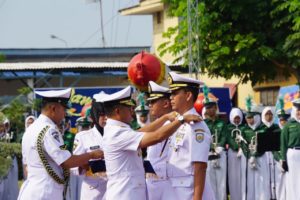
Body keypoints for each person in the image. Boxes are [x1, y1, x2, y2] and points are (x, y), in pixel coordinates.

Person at [101, 86, 202, 200]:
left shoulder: (117, 130)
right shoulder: (117, 133)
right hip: (125, 194)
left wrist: (165, 118)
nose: (132, 110)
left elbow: (140, 132)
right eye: (129, 107)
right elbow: (157, 136)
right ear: (117, 111)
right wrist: (181, 120)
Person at [18, 88, 103, 200]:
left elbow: (62, 151)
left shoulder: (32, 128)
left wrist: (80, 160)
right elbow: (66, 161)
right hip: (45, 192)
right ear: (53, 108)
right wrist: (91, 155)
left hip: (34, 189)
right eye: (63, 110)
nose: (64, 115)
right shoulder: (49, 130)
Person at [167, 72, 214, 200]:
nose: (171, 97)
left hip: (188, 192)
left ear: (188, 95)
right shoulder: (180, 122)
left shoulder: (196, 126)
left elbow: (200, 166)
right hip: (175, 189)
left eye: (175, 93)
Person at [72, 91, 108, 200]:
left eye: (107, 114)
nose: (105, 118)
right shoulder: (83, 137)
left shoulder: (117, 134)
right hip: (93, 192)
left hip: (115, 191)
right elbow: (74, 165)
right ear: (95, 115)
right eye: (101, 114)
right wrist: (90, 164)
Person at [146, 81, 175, 200]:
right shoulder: (158, 124)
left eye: (153, 101)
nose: (150, 105)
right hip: (153, 183)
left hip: (165, 183)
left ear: (166, 103)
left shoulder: (172, 125)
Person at [240, 100, 270, 200]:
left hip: (261, 158)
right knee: (250, 182)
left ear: (256, 117)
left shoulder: (264, 128)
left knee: (261, 181)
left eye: (250, 117)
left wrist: (255, 155)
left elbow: (264, 144)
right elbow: (243, 144)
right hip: (249, 160)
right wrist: (250, 156)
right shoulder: (244, 130)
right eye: (247, 117)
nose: (248, 120)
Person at [203, 89, 227, 200]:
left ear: (216, 108)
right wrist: (211, 149)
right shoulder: (203, 124)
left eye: (211, 107)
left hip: (220, 154)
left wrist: (219, 148)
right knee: (209, 182)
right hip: (208, 155)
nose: (209, 109)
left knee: (221, 183)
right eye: (207, 107)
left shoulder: (222, 123)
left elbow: (224, 136)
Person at [281, 98, 300, 200]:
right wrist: (283, 159)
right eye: (298, 110)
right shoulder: (288, 125)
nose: (299, 112)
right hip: (292, 154)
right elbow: (283, 143)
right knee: (292, 179)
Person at [226, 108, 245, 200]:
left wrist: (242, 148)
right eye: (235, 118)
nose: (237, 120)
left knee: (242, 175)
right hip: (232, 153)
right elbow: (229, 139)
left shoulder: (243, 127)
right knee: (233, 176)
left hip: (243, 153)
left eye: (238, 118)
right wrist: (236, 147)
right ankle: (234, 196)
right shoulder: (228, 127)